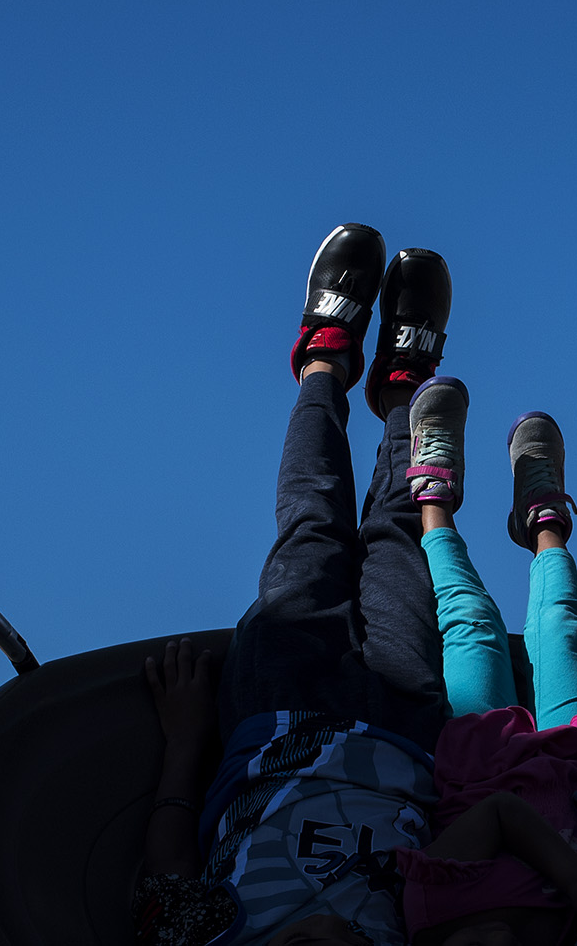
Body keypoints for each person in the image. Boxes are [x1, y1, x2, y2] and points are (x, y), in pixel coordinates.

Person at [131, 223, 459, 946]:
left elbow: (168, 863)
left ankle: (323, 358)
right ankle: (403, 387)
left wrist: (187, 740)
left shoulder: (210, 938)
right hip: (403, 734)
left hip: (276, 713)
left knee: (312, 523)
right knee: (401, 534)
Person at [389, 396, 577, 946]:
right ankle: (543, 523)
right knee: (564, 625)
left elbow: (499, 812)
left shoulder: (431, 908)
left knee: (472, 623)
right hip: (573, 759)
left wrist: (575, 879)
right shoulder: (559, 937)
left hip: (480, 759)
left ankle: (434, 501)